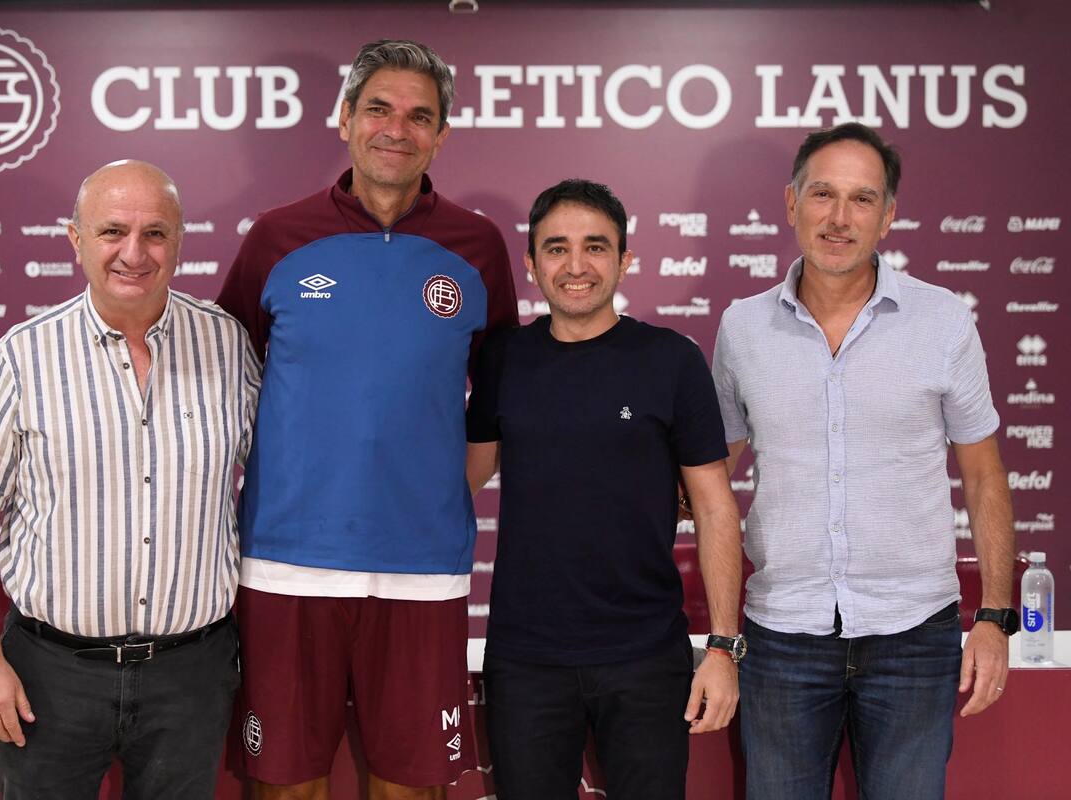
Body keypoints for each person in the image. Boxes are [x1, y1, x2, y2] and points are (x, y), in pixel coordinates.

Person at [216, 39, 517, 800]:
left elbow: (503, 398)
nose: (397, 128)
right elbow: (223, 383)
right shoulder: (278, 238)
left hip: (423, 571)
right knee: (285, 785)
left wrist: (435, 490)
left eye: (420, 116)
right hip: (286, 565)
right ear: (346, 118)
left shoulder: (478, 247)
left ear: (442, 134)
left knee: (412, 788)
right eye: (378, 108)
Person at [712, 122, 1017, 800]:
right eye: (823, 194)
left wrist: (995, 619)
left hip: (915, 635)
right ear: (790, 202)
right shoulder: (742, 328)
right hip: (783, 636)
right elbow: (712, 471)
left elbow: (985, 475)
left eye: (861, 199)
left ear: (889, 217)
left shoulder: (942, 321)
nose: (839, 218)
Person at [0, 160, 260, 799]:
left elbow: (285, 476)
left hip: (190, 676)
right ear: (75, 239)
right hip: (50, 675)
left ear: (181, 240)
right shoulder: (24, 355)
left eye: (156, 234)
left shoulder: (227, 344)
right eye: (112, 231)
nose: (134, 253)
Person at [465, 179, 744, 800]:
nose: (576, 266)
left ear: (625, 258)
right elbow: (464, 477)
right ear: (532, 264)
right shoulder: (504, 359)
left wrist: (723, 648)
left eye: (595, 247)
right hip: (526, 660)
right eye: (556, 248)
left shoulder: (671, 360)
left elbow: (715, 507)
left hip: (646, 657)